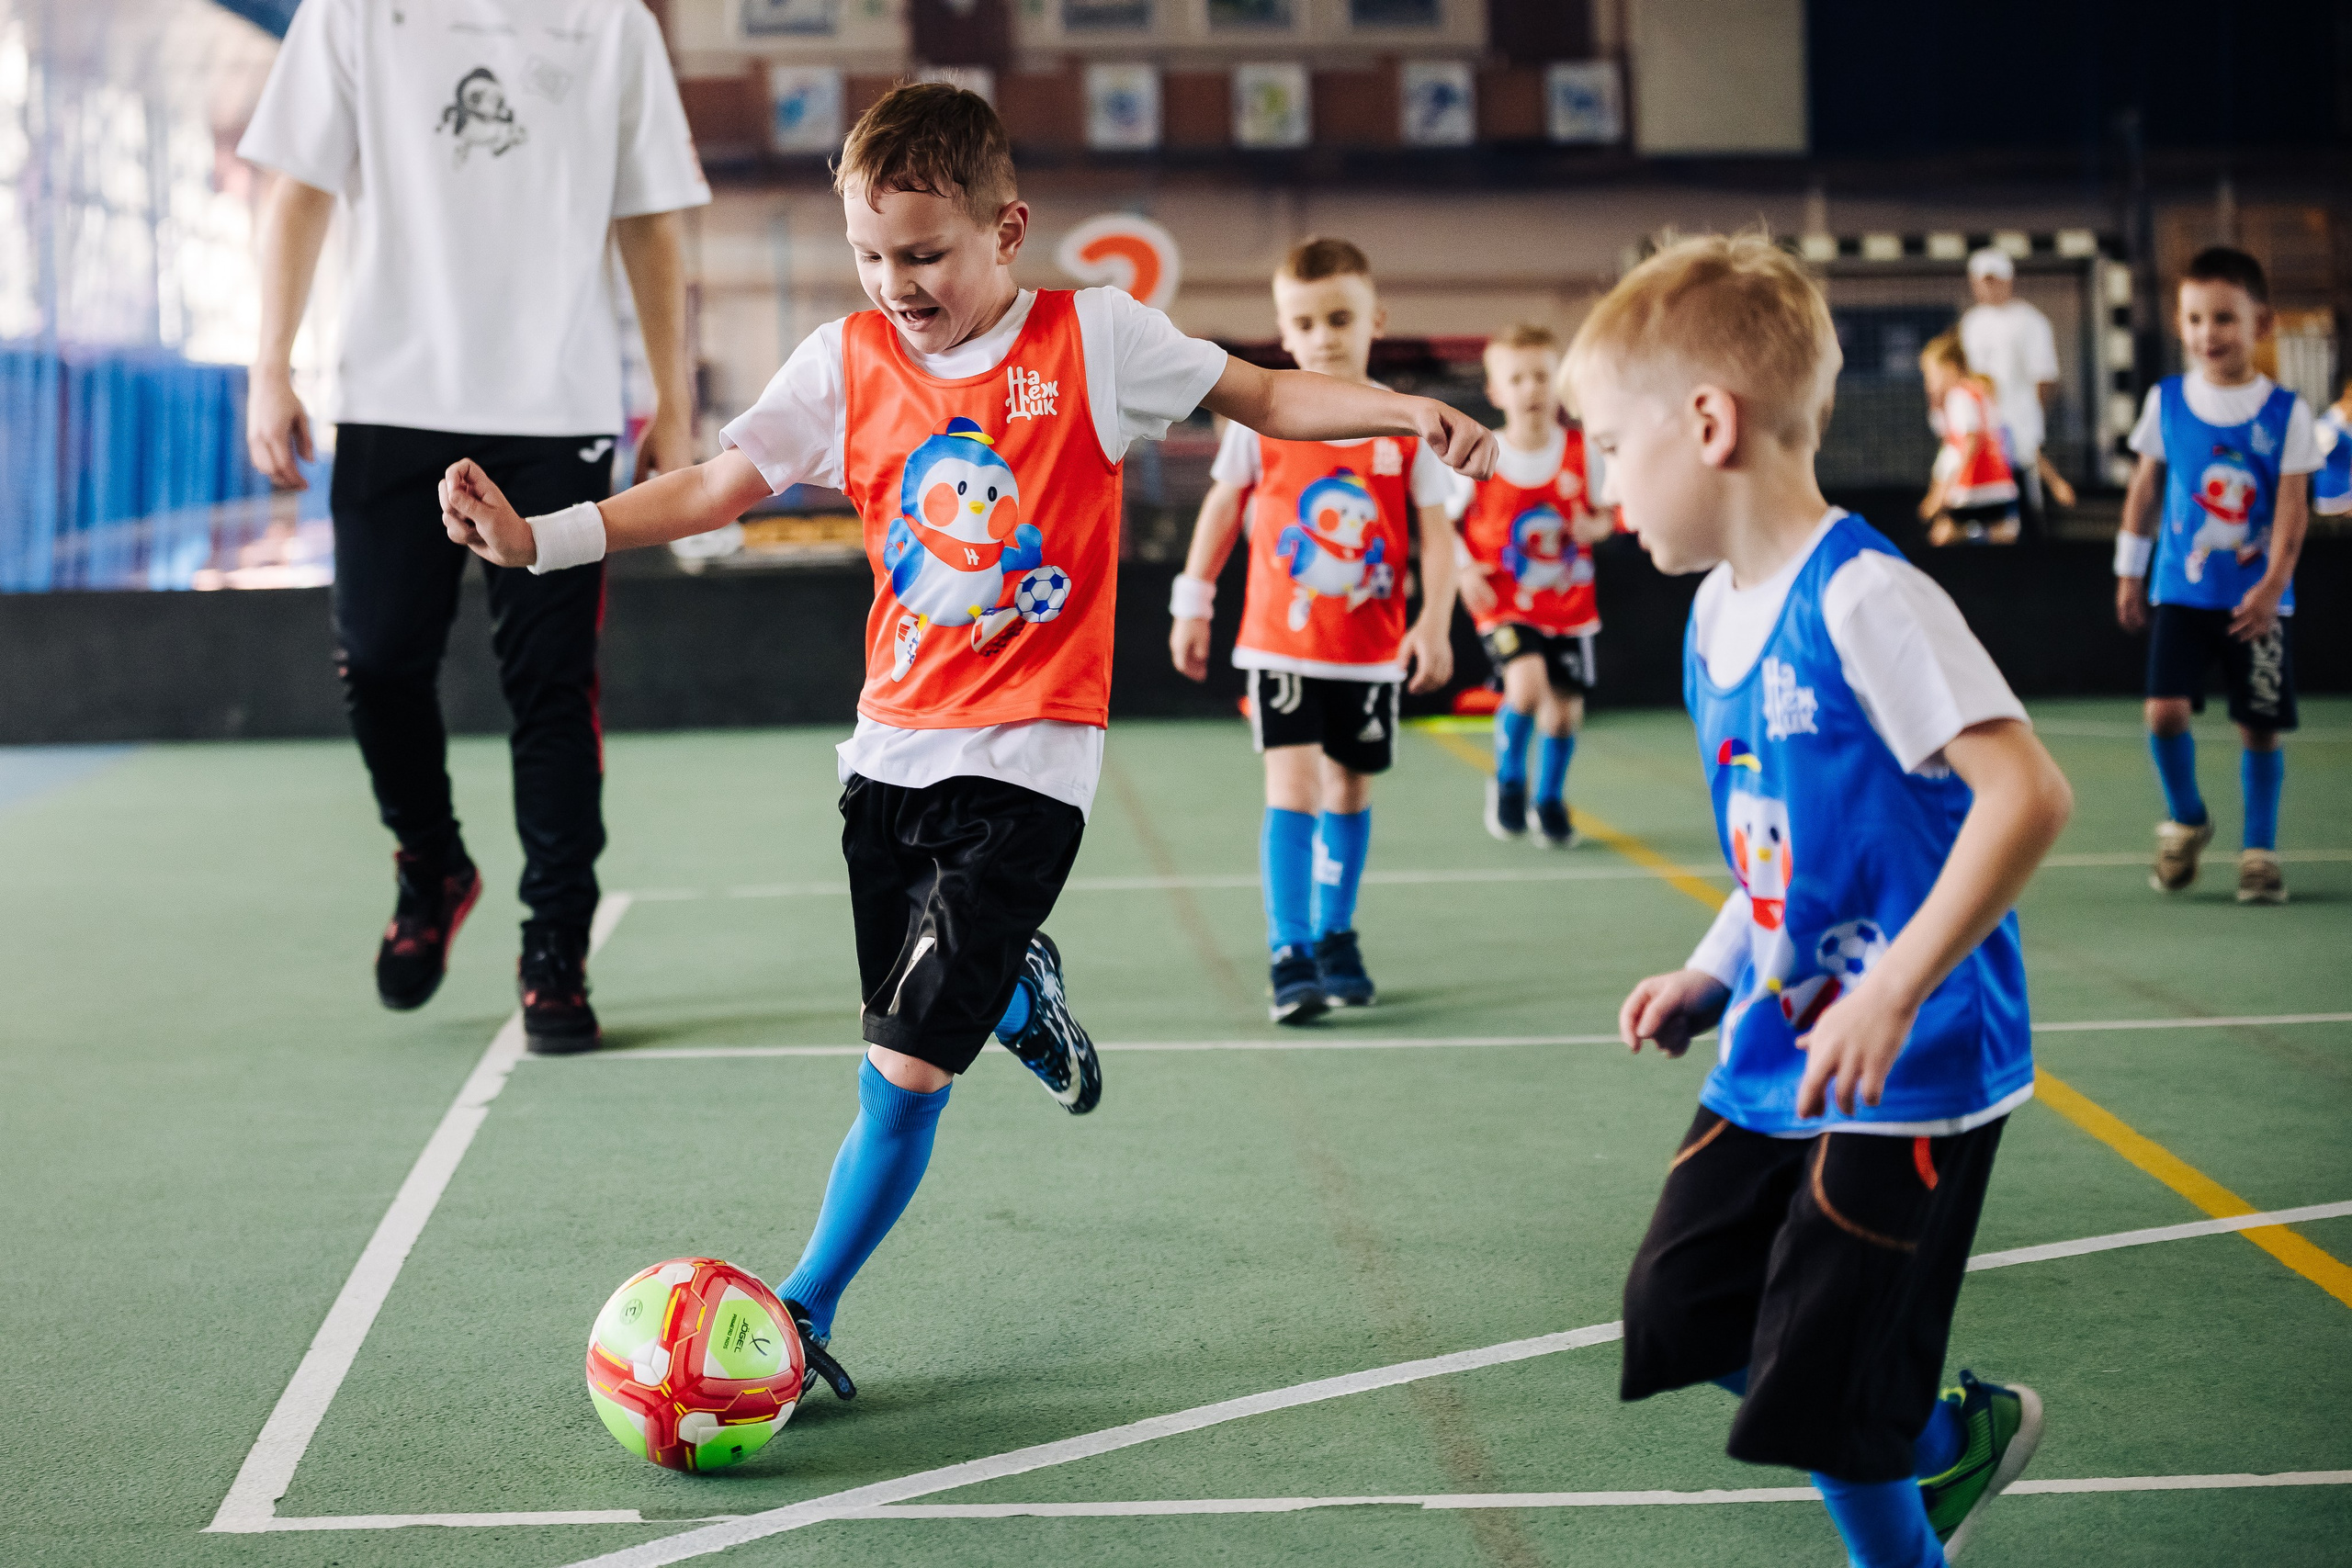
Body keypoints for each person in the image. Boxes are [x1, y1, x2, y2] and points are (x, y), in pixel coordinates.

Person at [440, 85, 1495, 1393]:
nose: (898, 282)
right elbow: (718, 485)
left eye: (926, 252)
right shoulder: (841, 363)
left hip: (1030, 765)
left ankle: (802, 1309)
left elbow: (1269, 400)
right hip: (886, 760)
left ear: (1007, 230)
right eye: (873, 255)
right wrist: (545, 538)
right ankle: (1018, 987)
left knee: (903, 1069)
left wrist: (1404, 412)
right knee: (921, 1009)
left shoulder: (1096, 341)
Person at [1568, 233, 2074, 1568]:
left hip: (1912, 1055)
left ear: (1708, 422)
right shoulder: (1710, 620)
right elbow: (1775, 858)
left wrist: (1899, 982)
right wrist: (1712, 966)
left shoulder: (1868, 599)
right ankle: (1945, 1437)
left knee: (1819, 1373)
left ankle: (1900, 1534)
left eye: (1612, 445)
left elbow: (2027, 795)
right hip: (1783, 1035)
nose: (1600, 477)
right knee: (1679, 1302)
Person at [238, 0, 709, 1050]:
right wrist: (269, 366)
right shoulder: (352, 13)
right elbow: (297, 191)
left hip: (559, 408)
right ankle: (432, 861)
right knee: (380, 662)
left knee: (550, 690)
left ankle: (556, 949)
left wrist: (670, 400)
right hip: (389, 399)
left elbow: (651, 220)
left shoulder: (612, 25)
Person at [1167, 238, 1464, 1024]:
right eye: (1306, 320)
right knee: (1293, 786)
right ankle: (1289, 948)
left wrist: (1434, 622)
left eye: (1340, 316)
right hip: (1280, 644)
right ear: (1284, 331)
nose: (1325, 334)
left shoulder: (1405, 426)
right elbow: (1224, 507)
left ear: (1376, 319)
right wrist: (1191, 601)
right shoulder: (1262, 418)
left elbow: (1439, 537)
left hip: (1367, 653)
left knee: (1349, 789)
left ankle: (1337, 932)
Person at [2115, 246, 2318, 906]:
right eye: (2196, 318)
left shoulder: (2287, 413)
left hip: (2256, 604)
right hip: (2181, 590)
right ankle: (2188, 818)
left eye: (2225, 318)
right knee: (2164, 710)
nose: (2210, 333)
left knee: (2259, 725)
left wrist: (2272, 586)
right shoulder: (2166, 401)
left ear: (2261, 324)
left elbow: (2292, 511)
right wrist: (2129, 569)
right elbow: (2145, 490)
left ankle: (2259, 851)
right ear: (2181, 324)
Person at [1453, 323, 1614, 845]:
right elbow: (1441, 521)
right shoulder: (1483, 454)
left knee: (1565, 713)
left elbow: (1610, 510)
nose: (1531, 389)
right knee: (1526, 686)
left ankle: (1549, 799)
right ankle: (1507, 781)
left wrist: (1600, 525)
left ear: (1559, 385)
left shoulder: (1583, 451)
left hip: (1568, 604)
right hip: (1503, 603)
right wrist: (1461, 568)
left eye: (1542, 376)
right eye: (1517, 378)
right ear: (1496, 392)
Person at [1959, 248, 2067, 536]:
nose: (1986, 286)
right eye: (1982, 280)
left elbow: (2044, 377)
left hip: (2019, 429)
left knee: (2026, 498)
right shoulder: (1971, 323)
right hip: (1982, 430)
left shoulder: (2030, 321)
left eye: (1993, 279)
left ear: (2007, 280)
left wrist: (2032, 418)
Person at [1917, 333, 2019, 546]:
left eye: (1932, 375)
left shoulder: (1958, 397)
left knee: (1943, 537)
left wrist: (1943, 493)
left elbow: (1965, 445)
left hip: (1973, 487)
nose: (1929, 383)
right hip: (2000, 484)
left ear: (1951, 368)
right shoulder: (1978, 392)